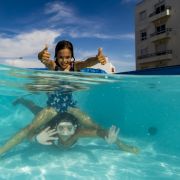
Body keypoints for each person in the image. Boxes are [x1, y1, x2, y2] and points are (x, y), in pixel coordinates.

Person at [0, 104, 139, 156]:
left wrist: (113, 140)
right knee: (36, 110)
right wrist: (36, 138)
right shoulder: (50, 131)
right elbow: (27, 133)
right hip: (51, 116)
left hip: (70, 112)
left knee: (94, 125)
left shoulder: (78, 132)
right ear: (56, 128)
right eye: (61, 129)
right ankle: (24, 101)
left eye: (69, 129)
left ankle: (72, 109)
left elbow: (99, 132)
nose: (65, 132)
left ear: (75, 129)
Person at [38, 40, 107, 71]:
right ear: (56, 56)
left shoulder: (75, 66)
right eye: (60, 57)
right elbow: (43, 60)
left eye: (67, 57)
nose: (64, 61)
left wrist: (96, 59)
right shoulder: (54, 66)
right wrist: (41, 55)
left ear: (72, 56)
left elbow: (87, 63)